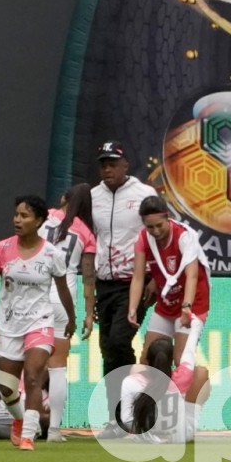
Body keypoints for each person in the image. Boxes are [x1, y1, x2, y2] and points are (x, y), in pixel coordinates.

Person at [0, 195, 76, 451]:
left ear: (39, 221)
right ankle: (20, 419)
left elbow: (63, 289)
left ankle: (27, 436)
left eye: (24, 216)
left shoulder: (51, 254)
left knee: (33, 377)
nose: (17, 220)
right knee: (7, 389)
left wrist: (71, 318)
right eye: (16, 215)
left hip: (40, 322)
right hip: (9, 324)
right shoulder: (1, 249)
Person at [90, 140, 158, 439]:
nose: (107, 169)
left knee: (119, 341)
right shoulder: (93, 196)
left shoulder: (144, 194)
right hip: (104, 282)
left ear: (125, 164)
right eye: (103, 164)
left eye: (113, 163)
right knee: (108, 349)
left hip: (135, 282)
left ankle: (132, 409)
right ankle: (116, 419)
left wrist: (156, 277)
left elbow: (161, 233)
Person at [38, 183, 96, 442]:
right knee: (58, 366)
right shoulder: (86, 233)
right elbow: (89, 278)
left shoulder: (45, 217)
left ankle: (26, 423)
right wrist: (88, 314)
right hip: (64, 299)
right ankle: (54, 430)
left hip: (36, 294)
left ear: (63, 198)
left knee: (30, 363)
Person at [128, 195, 210, 367]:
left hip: (192, 303)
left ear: (168, 217)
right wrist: (133, 308)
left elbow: (192, 275)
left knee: (181, 361)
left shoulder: (184, 237)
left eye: (159, 225)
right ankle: (158, 386)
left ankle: (195, 384)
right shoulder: (142, 239)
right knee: (146, 361)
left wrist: (186, 307)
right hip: (166, 303)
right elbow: (138, 277)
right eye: (150, 227)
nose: (156, 231)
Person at [120, 338, 210, 443]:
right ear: (171, 361)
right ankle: (188, 424)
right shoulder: (181, 378)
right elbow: (189, 353)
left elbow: (126, 419)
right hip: (180, 435)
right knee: (201, 372)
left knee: (136, 369)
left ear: (147, 361)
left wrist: (148, 435)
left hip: (146, 434)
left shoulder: (132, 381)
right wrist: (195, 328)